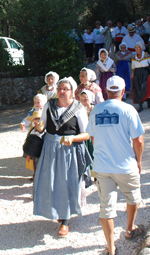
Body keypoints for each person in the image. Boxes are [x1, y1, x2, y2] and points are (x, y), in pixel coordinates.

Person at [86, 76, 145, 255]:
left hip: (103, 166)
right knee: (133, 197)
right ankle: (130, 229)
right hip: (125, 164)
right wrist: (139, 160)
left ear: (106, 90)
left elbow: (92, 137)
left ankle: (111, 248)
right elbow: (139, 140)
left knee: (106, 206)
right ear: (123, 89)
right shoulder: (129, 110)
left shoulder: (96, 110)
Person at [34, 77, 91, 237]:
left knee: (66, 184)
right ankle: (57, 211)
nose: (61, 91)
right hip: (50, 148)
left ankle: (65, 220)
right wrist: (38, 125)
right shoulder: (49, 105)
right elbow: (43, 125)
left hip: (69, 151)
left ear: (72, 92)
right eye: (59, 88)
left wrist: (72, 138)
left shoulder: (78, 108)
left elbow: (86, 134)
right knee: (50, 182)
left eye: (65, 89)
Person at [131, 42, 150, 112]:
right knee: (138, 89)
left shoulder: (146, 55)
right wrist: (132, 73)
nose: (137, 49)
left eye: (138, 48)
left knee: (145, 88)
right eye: (135, 48)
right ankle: (140, 105)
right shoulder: (134, 57)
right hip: (137, 74)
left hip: (145, 73)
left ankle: (148, 101)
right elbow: (133, 67)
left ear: (141, 48)